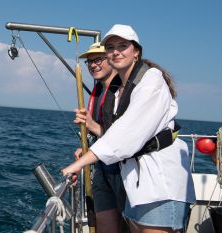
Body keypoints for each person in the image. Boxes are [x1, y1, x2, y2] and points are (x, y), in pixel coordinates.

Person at [63, 24, 196, 233]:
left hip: (160, 184)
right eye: (110, 47)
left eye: (122, 46)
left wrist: (79, 164)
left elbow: (126, 133)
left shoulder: (152, 80)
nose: (115, 52)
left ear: (136, 51)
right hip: (137, 183)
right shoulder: (117, 91)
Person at [74, 42, 129, 233]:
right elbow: (101, 133)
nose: (93, 65)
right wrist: (87, 149)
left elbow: (125, 139)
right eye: (89, 61)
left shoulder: (124, 91)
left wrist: (91, 125)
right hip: (103, 169)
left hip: (124, 172)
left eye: (98, 59)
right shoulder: (99, 91)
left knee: (127, 225)